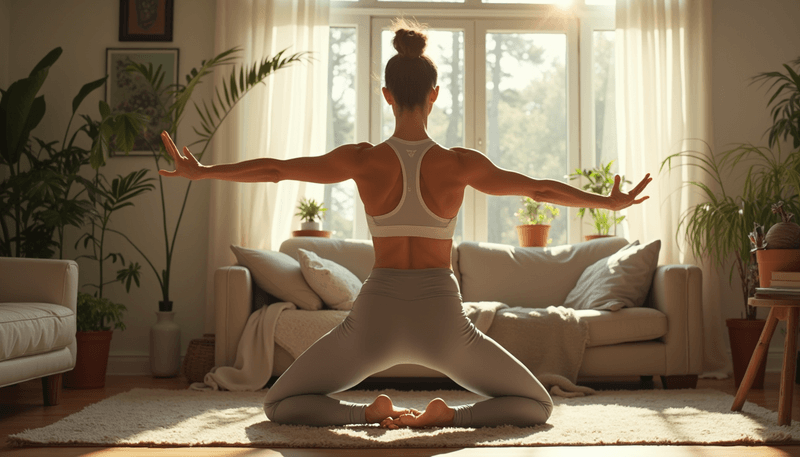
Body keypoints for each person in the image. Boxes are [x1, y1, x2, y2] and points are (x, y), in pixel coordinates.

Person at [158, 20, 651, 429]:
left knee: (277, 406)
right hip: (443, 317)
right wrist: (605, 203)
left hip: (375, 316)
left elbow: (277, 169)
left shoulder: (363, 159)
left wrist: (202, 171)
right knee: (537, 406)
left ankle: (367, 413)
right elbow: (539, 189)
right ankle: (446, 417)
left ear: (386, 95)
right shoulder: (460, 164)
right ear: (434, 95)